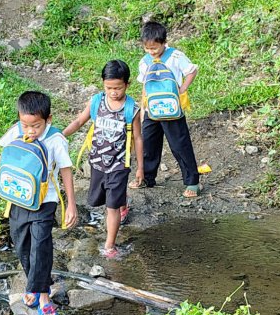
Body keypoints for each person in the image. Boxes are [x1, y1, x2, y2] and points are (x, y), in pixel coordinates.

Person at [0, 91, 77, 315]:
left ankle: (45, 297)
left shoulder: (56, 139)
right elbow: (6, 153)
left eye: (35, 126)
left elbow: (66, 170)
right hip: (18, 199)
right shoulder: (17, 130)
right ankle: (33, 285)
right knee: (22, 245)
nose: (29, 131)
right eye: (25, 124)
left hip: (45, 201)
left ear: (48, 119)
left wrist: (71, 205)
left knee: (40, 245)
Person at [63, 60, 143, 259]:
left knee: (111, 207)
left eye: (118, 87)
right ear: (102, 84)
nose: (113, 92)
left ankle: (110, 245)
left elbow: (138, 138)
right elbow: (79, 121)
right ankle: (123, 203)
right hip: (97, 162)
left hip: (119, 164)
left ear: (127, 84)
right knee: (98, 199)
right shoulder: (97, 102)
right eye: (109, 88)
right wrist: (61, 135)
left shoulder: (131, 109)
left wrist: (141, 167)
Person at [135, 21, 201, 198]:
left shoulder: (175, 56)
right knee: (149, 143)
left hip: (172, 109)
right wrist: (143, 108)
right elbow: (145, 85)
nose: (151, 52)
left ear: (164, 42)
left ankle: (192, 181)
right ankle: (148, 178)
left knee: (179, 144)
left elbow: (192, 71)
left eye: (155, 48)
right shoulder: (144, 62)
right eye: (147, 48)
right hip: (151, 109)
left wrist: (182, 90)